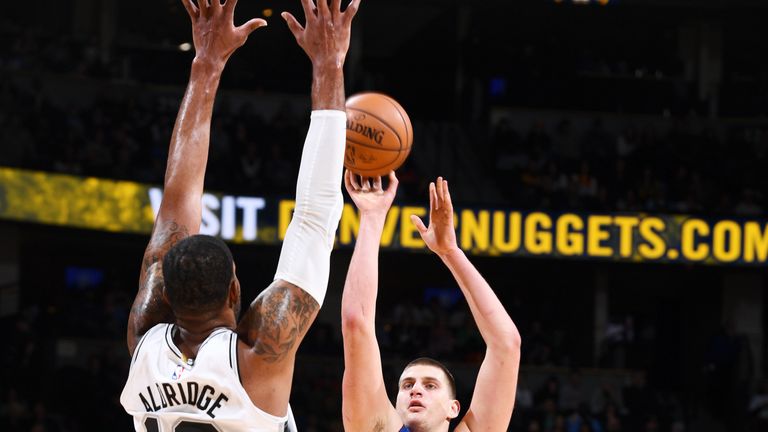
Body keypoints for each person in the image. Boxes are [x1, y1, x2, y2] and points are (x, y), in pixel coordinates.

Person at [120, 0, 360, 430]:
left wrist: (206, 66)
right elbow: (312, 217)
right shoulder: (257, 355)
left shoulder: (145, 340)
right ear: (235, 289)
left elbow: (178, 206)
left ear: (165, 295)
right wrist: (329, 69)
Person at [341, 171, 522, 432]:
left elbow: (507, 344)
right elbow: (356, 323)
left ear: (453, 408)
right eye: (407, 385)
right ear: (396, 402)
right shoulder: (375, 427)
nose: (415, 390)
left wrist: (450, 252)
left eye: (430, 385)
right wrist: (371, 217)